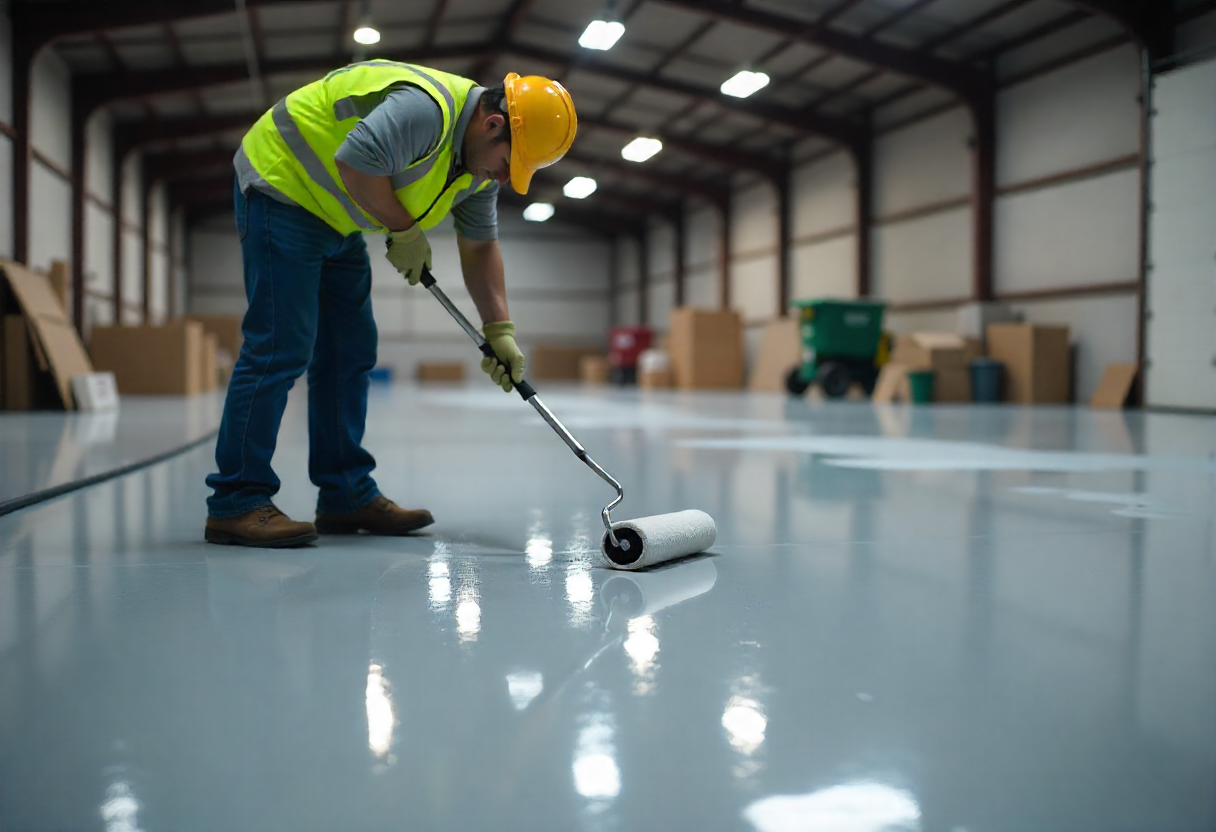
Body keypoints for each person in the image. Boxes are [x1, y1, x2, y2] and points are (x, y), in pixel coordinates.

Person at [203, 63, 577, 548]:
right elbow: (355, 162)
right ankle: (237, 500)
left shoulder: (478, 174)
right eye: (509, 163)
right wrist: (404, 230)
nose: (505, 178)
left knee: (351, 350)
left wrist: (499, 330)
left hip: (338, 217)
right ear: (492, 124)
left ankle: (345, 495)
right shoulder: (427, 110)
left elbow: (480, 246)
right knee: (280, 346)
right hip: (283, 186)